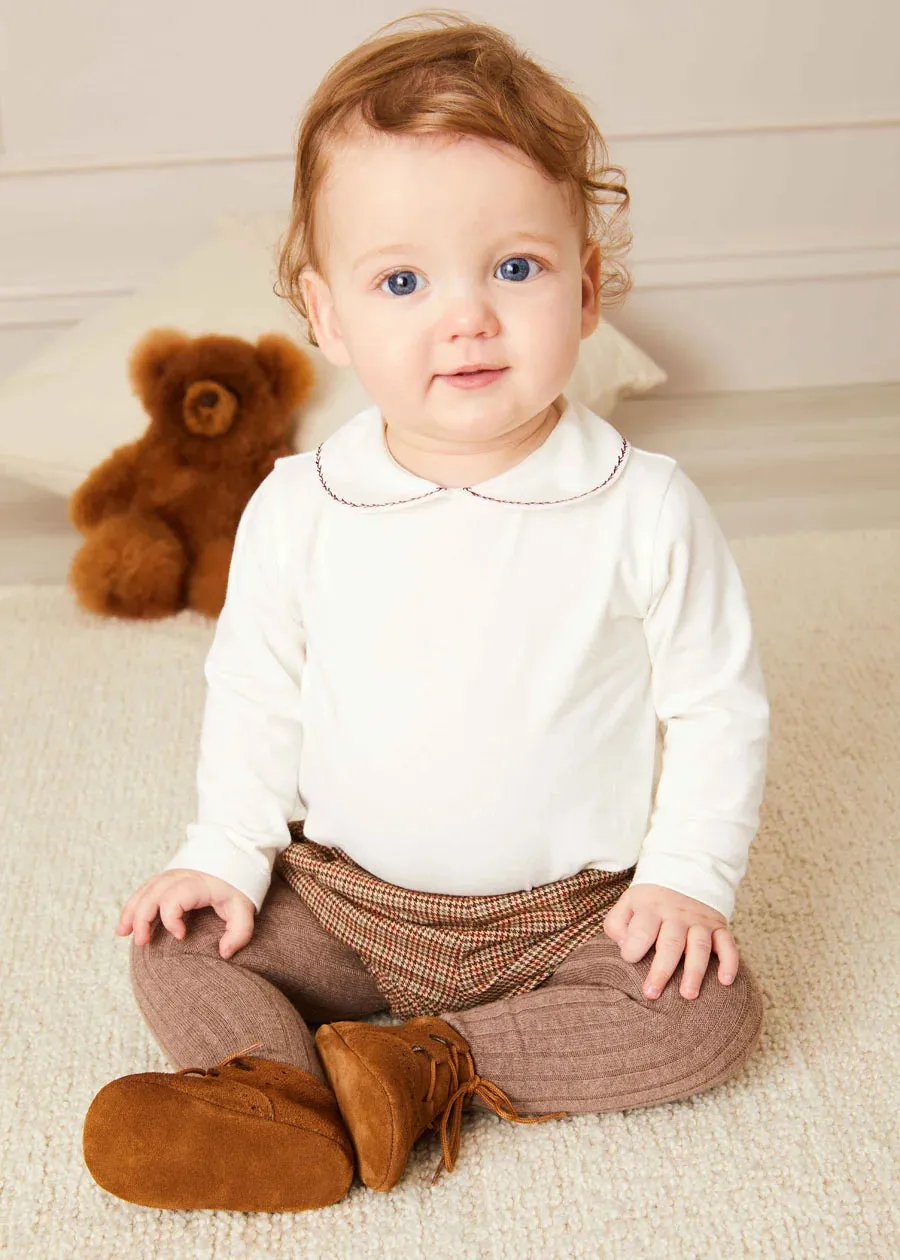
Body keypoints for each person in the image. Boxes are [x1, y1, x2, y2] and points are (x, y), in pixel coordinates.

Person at [83, 9, 769, 1214]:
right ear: (329, 316)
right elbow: (255, 688)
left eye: (516, 267)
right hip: (348, 896)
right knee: (174, 941)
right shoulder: (304, 504)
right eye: (403, 279)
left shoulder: (642, 506)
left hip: (565, 915)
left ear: (588, 286)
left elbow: (718, 706)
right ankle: (284, 1101)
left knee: (710, 1013)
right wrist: (225, 853)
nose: (467, 316)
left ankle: (418, 1066)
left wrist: (688, 878)